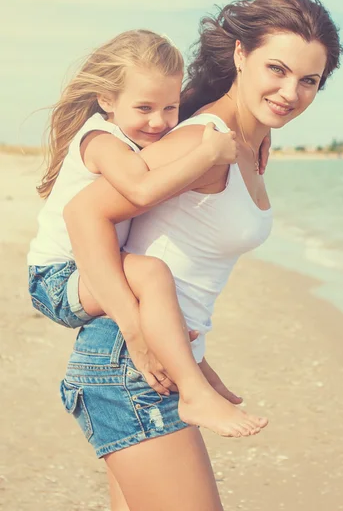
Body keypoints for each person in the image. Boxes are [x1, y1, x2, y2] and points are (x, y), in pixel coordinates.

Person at [61, 0, 343, 511]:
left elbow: (179, 249)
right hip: (129, 364)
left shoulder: (253, 142)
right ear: (240, 55)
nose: (290, 92)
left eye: (309, 81)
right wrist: (135, 328)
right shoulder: (205, 140)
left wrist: (197, 357)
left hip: (160, 362)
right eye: (276, 69)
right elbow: (85, 212)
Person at [28, 28, 270, 438]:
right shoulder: (102, 141)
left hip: (87, 270)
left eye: (170, 108)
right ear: (107, 99)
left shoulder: (134, 134)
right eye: (144, 107)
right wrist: (208, 154)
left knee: (157, 286)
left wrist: (259, 133)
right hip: (56, 276)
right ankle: (193, 391)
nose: (159, 122)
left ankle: (194, 372)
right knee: (153, 274)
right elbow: (141, 189)